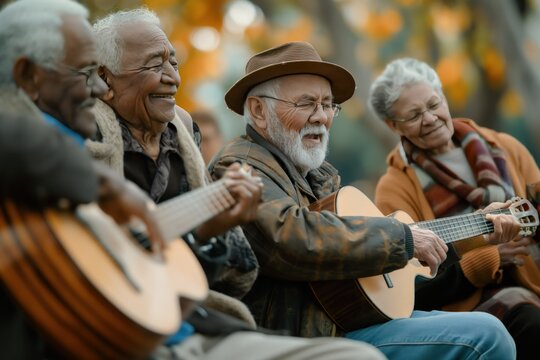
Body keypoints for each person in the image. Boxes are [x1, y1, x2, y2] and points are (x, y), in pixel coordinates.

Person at [87, 8, 386, 360]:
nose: (173, 78)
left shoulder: (182, 139)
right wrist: (403, 239)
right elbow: (294, 240)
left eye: (174, 63)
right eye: (155, 65)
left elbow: (219, 275)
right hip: (121, 328)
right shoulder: (82, 141)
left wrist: (212, 232)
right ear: (104, 79)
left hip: (198, 324)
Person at [209, 41, 523, 359]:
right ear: (259, 111)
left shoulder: (317, 176)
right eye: (306, 104)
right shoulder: (240, 166)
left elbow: (372, 266)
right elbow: (291, 237)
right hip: (300, 338)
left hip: (345, 323)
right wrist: (403, 237)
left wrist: (477, 233)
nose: (321, 117)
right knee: (488, 335)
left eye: (328, 105)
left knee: (492, 326)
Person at [0, 0, 168, 358]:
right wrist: (107, 184)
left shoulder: (60, 148)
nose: (99, 89)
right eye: (85, 72)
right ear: (29, 75)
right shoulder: (37, 151)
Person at [370, 57, 540, 359]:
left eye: (434, 105)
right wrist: (489, 258)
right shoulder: (394, 187)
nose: (430, 118)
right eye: (414, 115)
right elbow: (413, 286)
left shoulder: (505, 147)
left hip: (534, 279)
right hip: (468, 307)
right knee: (530, 322)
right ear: (392, 125)